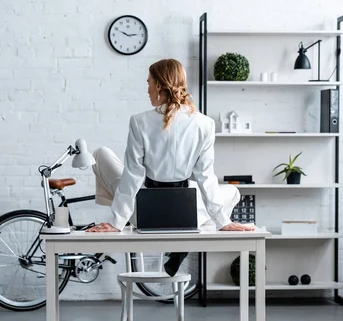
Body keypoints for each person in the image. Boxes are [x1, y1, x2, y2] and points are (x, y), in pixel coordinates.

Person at [86, 58, 255, 276]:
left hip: (145, 215)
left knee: (101, 154)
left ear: (158, 86)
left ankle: (122, 215)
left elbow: (133, 176)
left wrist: (116, 222)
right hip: (188, 216)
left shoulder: (139, 121)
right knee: (232, 190)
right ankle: (183, 243)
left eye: (148, 83)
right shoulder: (205, 123)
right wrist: (223, 221)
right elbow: (205, 177)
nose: (147, 90)